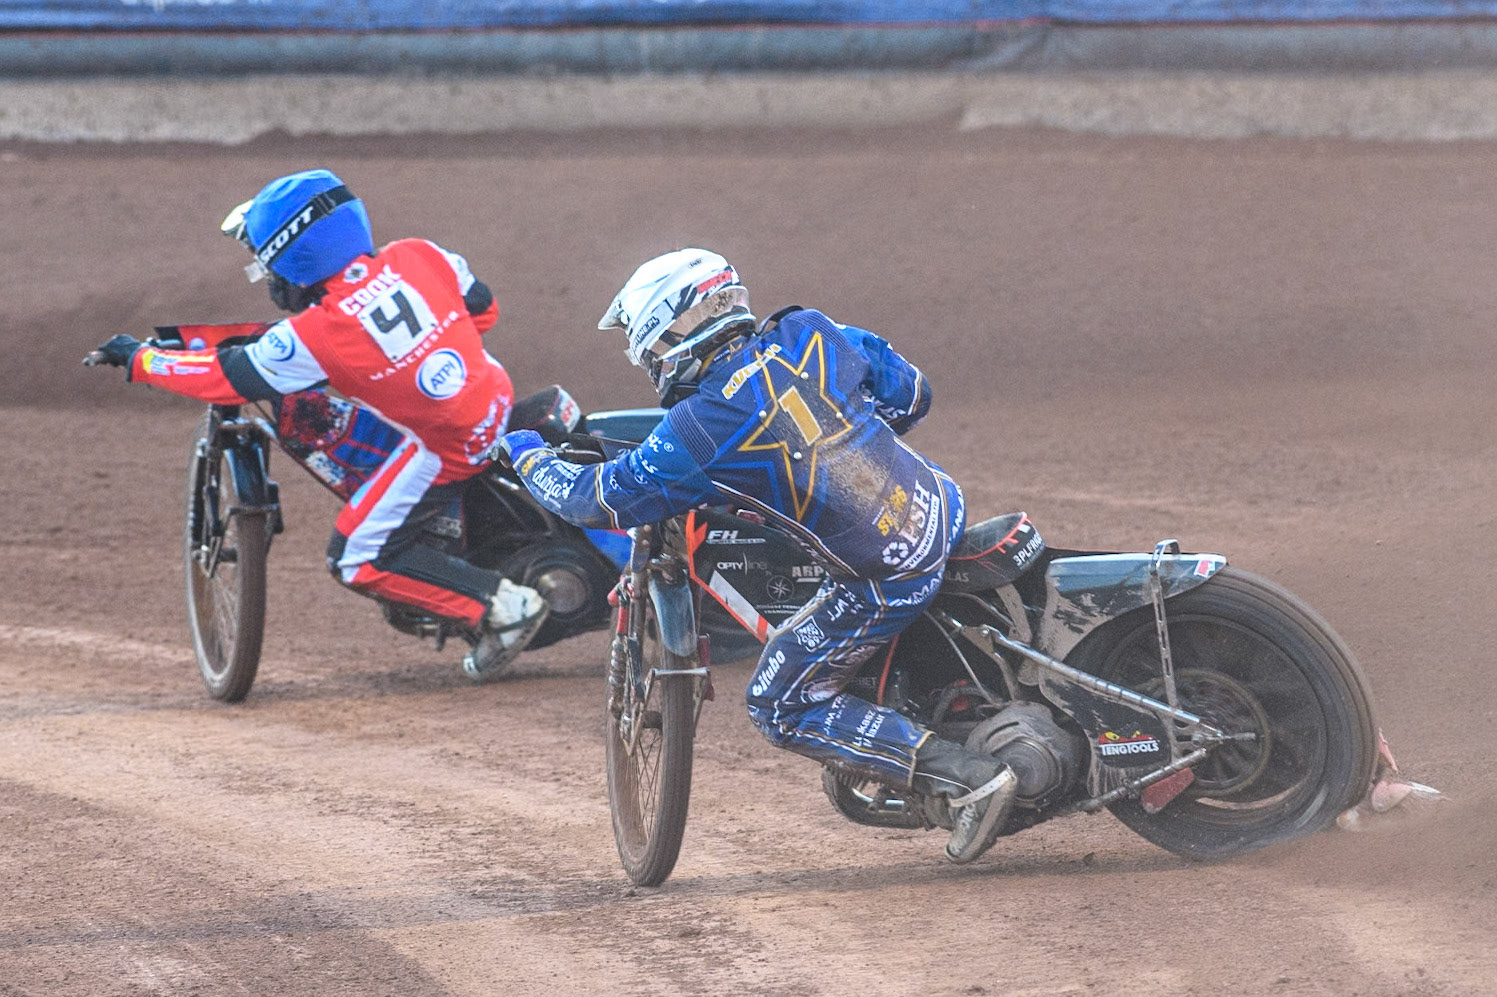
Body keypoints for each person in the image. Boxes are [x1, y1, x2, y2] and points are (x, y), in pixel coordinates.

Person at [499, 249, 1017, 863]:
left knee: (778, 702)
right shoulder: (813, 332)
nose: (653, 366)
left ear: (675, 331)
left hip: (887, 576)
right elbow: (911, 397)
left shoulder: (702, 426)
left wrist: (530, 455)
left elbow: (598, 501)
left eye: (650, 351)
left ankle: (966, 778)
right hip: (942, 505)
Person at [90, 168, 547, 679]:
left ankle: (501, 609)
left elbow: (228, 378)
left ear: (293, 259)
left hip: (449, 448)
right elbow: (482, 311)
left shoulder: (319, 333)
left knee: (355, 555)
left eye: (266, 264)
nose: (267, 278)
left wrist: (139, 360)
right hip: (495, 395)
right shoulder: (420, 253)